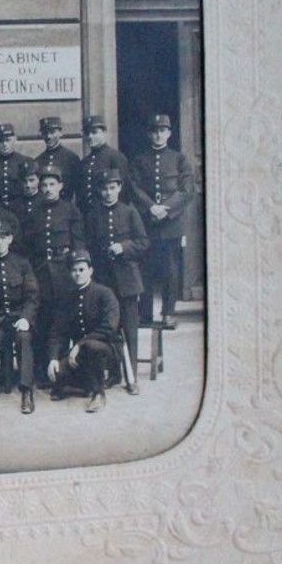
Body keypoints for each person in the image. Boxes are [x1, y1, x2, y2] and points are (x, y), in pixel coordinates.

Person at [129, 114, 196, 330]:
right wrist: (151, 207)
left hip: (171, 224)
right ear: (149, 134)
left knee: (171, 269)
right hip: (147, 223)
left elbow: (187, 190)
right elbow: (134, 188)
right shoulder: (140, 160)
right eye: (154, 131)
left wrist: (166, 209)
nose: (158, 135)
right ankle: (145, 313)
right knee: (146, 269)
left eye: (162, 131)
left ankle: (168, 313)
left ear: (169, 133)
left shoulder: (179, 159)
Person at [85, 168, 148, 391]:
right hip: (104, 282)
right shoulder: (93, 215)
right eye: (104, 189)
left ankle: (132, 379)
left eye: (112, 188)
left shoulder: (130, 213)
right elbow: (89, 247)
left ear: (119, 188)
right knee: (107, 329)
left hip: (128, 282)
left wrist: (124, 247)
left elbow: (143, 243)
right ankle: (114, 373)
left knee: (130, 330)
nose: (108, 193)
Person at [0, 219, 40, 413]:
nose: (0, 242)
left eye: (3, 237)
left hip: (18, 316)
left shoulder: (22, 263)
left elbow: (32, 295)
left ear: (10, 239)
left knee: (24, 338)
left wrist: (26, 318)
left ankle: (26, 391)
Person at [22, 165, 86, 359]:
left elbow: (79, 244)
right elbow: (29, 245)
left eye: (52, 184)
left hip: (64, 269)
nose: (48, 189)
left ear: (61, 186)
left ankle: (67, 365)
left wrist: (78, 272)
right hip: (41, 269)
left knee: (66, 319)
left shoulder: (70, 209)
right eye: (44, 185)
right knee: (43, 318)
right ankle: (43, 369)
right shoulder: (34, 212)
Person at [46, 250, 122, 413]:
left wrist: (80, 344)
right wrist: (53, 358)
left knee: (91, 348)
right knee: (57, 375)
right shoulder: (68, 298)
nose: (78, 274)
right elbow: (57, 331)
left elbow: (110, 326)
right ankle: (86, 383)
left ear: (90, 271)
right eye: (74, 270)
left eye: (81, 269)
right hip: (80, 352)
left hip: (106, 349)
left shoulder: (104, 293)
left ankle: (98, 393)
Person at [75, 114, 130, 213]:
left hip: (107, 214)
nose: (90, 136)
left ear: (104, 132)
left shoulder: (116, 157)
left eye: (94, 132)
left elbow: (123, 192)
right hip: (87, 215)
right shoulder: (84, 162)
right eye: (87, 133)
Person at [35, 116, 81, 199]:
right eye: (45, 133)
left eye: (52, 132)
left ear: (60, 133)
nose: (48, 136)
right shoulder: (38, 160)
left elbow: (78, 189)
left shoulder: (71, 158)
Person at [0, 123, 27, 211]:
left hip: (19, 208)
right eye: (1, 141)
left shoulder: (25, 161)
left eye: (8, 140)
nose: (4, 144)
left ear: (14, 139)